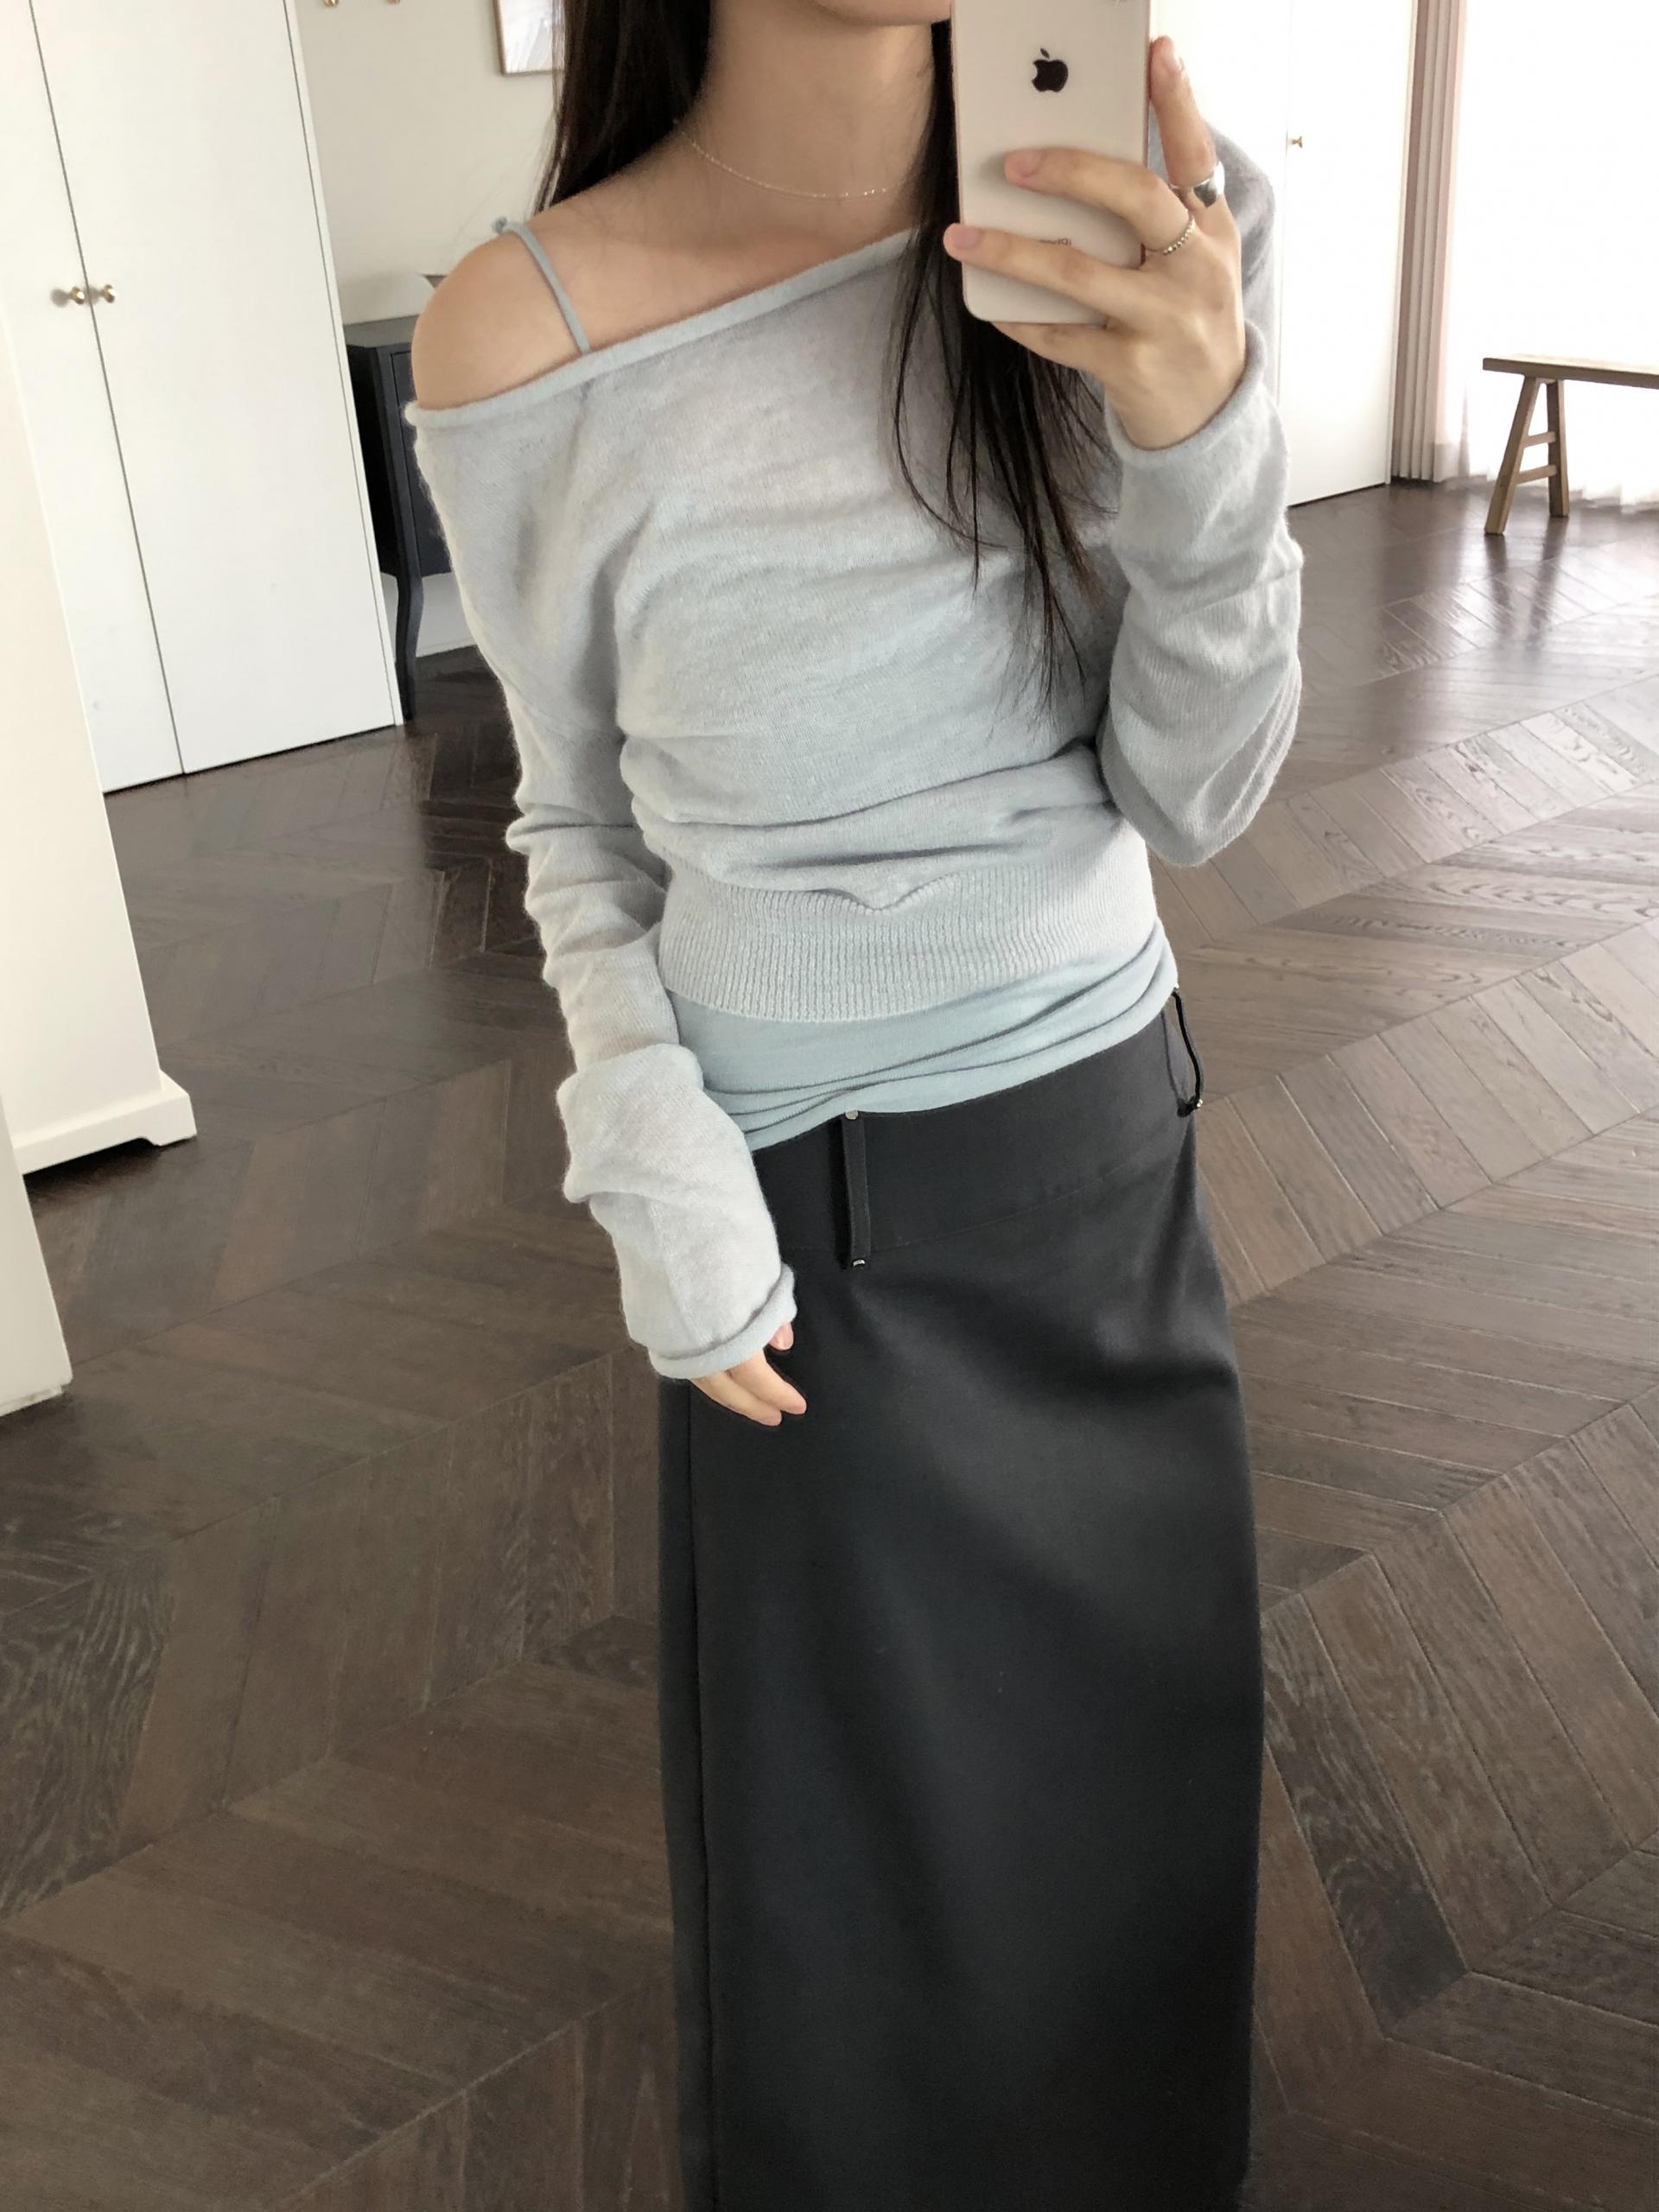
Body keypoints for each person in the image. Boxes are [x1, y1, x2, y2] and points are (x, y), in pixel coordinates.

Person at [408, 3, 1301, 2203]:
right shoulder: (528, 327)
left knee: (1141, 1870)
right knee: (857, 1959)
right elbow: (573, 820)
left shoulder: (1148, 224)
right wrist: (654, 1155)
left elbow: (1196, 795)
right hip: (813, 1265)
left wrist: (1201, 436)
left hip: (1112, 1177)